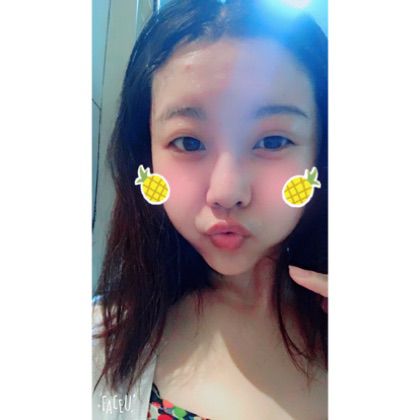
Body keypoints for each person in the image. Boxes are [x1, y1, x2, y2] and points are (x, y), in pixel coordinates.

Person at [93, 0, 328, 418]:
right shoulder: (98, 343)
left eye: (272, 141)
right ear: (145, 157)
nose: (226, 192)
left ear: (321, 151)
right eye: (189, 142)